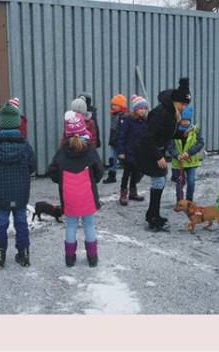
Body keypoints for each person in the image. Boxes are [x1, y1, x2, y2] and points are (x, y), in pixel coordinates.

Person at [0, 102, 35, 267]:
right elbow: (32, 166)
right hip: (20, 191)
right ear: (17, 122)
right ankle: (23, 254)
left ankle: (0, 255)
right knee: (21, 222)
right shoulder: (24, 145)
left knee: (1, 224)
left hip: (1, 191)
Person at [48, 109, 105, 268]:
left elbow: (52, 172)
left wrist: (62, 180)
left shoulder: (61, 154)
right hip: (87, 197)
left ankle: (70, 258)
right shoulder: (91, 152)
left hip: (69, 198)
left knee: (71, 226)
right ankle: (92, 257)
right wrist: (92, 180)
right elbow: (100, 172)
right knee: (89, 225)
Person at [138, 78, 191, 231]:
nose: (184, 107)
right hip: (148, 150)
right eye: (182, 104)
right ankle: (152, 217)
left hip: (155, 149)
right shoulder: (161, 113)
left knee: (160, 181)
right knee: (159, 181)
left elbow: (166, 134)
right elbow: (149, 137)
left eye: (186, 104)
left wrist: (182, 135)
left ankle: (153, 214)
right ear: (175, 101)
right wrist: (158, 156)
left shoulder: (172, 112)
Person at [118, 96, 150, 206]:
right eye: (140, 108)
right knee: (126, 173)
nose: (143, 110)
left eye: (145, 108)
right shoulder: (128, 120)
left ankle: (133, 192)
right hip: (128, 152)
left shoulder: (145, 121)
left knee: (136, 173)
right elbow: (122, 136)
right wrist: (121, 151)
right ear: (135, 109)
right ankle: (123, 193)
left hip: (139, 153)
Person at [172, 103, 203, 204]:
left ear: (190, 120)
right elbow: (170, 145)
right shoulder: (173, 130)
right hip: (178, 162)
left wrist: (189, 153)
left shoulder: (195, 130)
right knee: (179, 182)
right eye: (183, 120)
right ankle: (180, 201)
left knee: (191, 182)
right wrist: (176, 155)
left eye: (187, 120)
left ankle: (189, 201)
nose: (184, 122)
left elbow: (200, 143)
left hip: (191, 161)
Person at [104, 94, 127, 182]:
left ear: (121, 106)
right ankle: (112, 176)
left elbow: (123, 131)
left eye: (115, 105)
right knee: (112, 159)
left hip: (120, 142)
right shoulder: (114, 115)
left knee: (124, 160)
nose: (113, 106)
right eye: (112, 104)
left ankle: (129, 173)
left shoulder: (123, 116)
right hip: (113, 141)